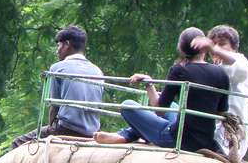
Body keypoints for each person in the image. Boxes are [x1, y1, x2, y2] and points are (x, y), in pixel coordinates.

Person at [93, 27, 229, 152]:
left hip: (177, 140)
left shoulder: (179, 70)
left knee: (127, 105)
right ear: (204, 49)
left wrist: (148, 83)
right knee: (174, 106)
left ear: (181, 48)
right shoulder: (221, 73)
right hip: (205, 141)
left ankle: (127, 135)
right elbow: (221, 111)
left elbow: (160, 110)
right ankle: (127, 134)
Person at [11, 25, 104, 148]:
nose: (57, 51)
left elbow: (54, 106)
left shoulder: (58, 68)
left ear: (67, 44)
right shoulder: (97, 71)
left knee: (17, 143)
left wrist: (52, 128)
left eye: (58, 45)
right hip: (92, 132)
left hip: (67, 129)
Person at [191, 25, 248, 160]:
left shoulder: (241, 63)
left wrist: (213, 48)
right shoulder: (216, 68)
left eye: (222, 44)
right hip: (213, 129)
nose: (215, 49)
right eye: (213, 44)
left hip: (230, 136)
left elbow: (238, 69)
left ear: (234, 47)